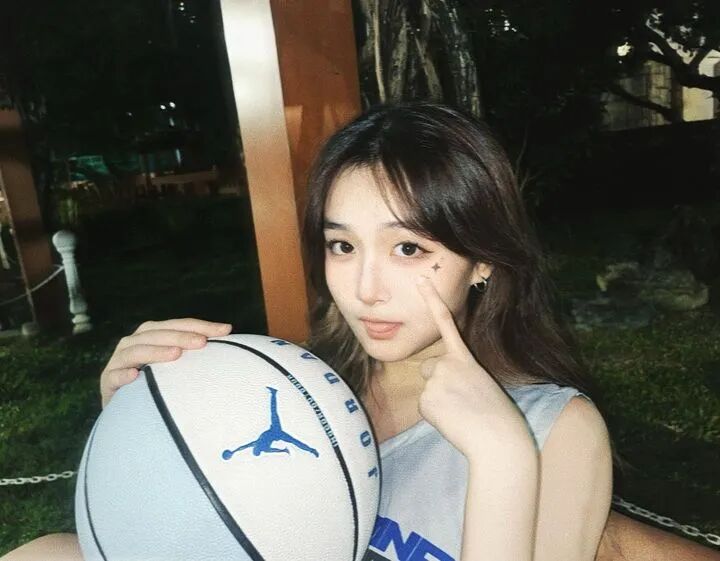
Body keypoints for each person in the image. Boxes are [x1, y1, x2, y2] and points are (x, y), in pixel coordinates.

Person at [4, 102, 719, 561]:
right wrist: (141, 435)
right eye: (342, 245)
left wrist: (501, 458)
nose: (365, 287)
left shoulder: (552, 428)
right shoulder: (292, 390)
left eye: (408, 248)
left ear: (483, 261)